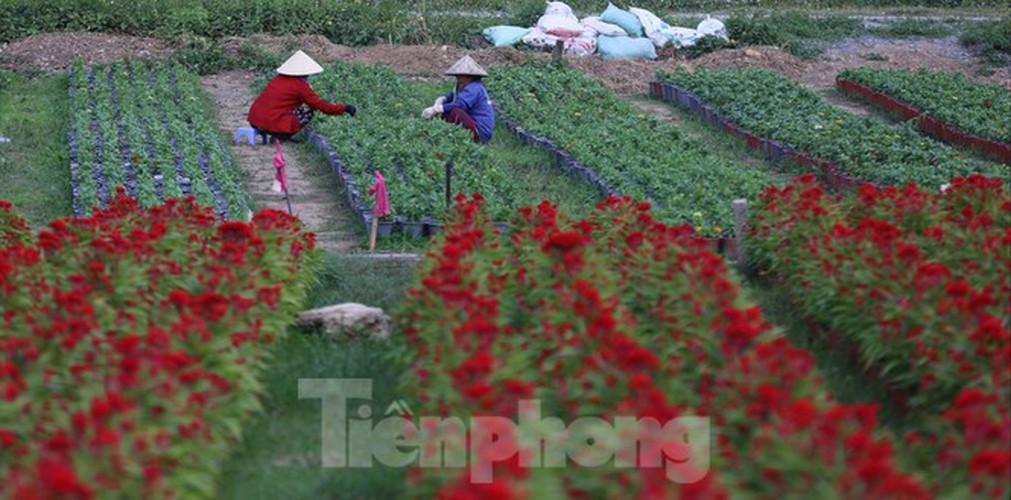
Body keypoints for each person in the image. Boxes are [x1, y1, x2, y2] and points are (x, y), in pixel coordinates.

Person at [247, 50, 356, 143]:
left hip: (255, 120)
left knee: (296, 109)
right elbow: (320, 105)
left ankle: (274, 132)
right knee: (308, 112)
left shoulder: (278, 79)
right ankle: (281, 135)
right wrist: (344, 108)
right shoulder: (299, 86)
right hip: (270, 121)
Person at [421, 55, 494, 144]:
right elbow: (453, 95)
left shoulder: (474, 88)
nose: (457, 77)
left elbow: (460, 104)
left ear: (469, 76)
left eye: (460, 75)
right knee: (448, 109)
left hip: (480, 132)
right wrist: (442, 99)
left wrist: (436, 109)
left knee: (455, 111)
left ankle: (456, 138)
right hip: (474, 125)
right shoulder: (466, 86)